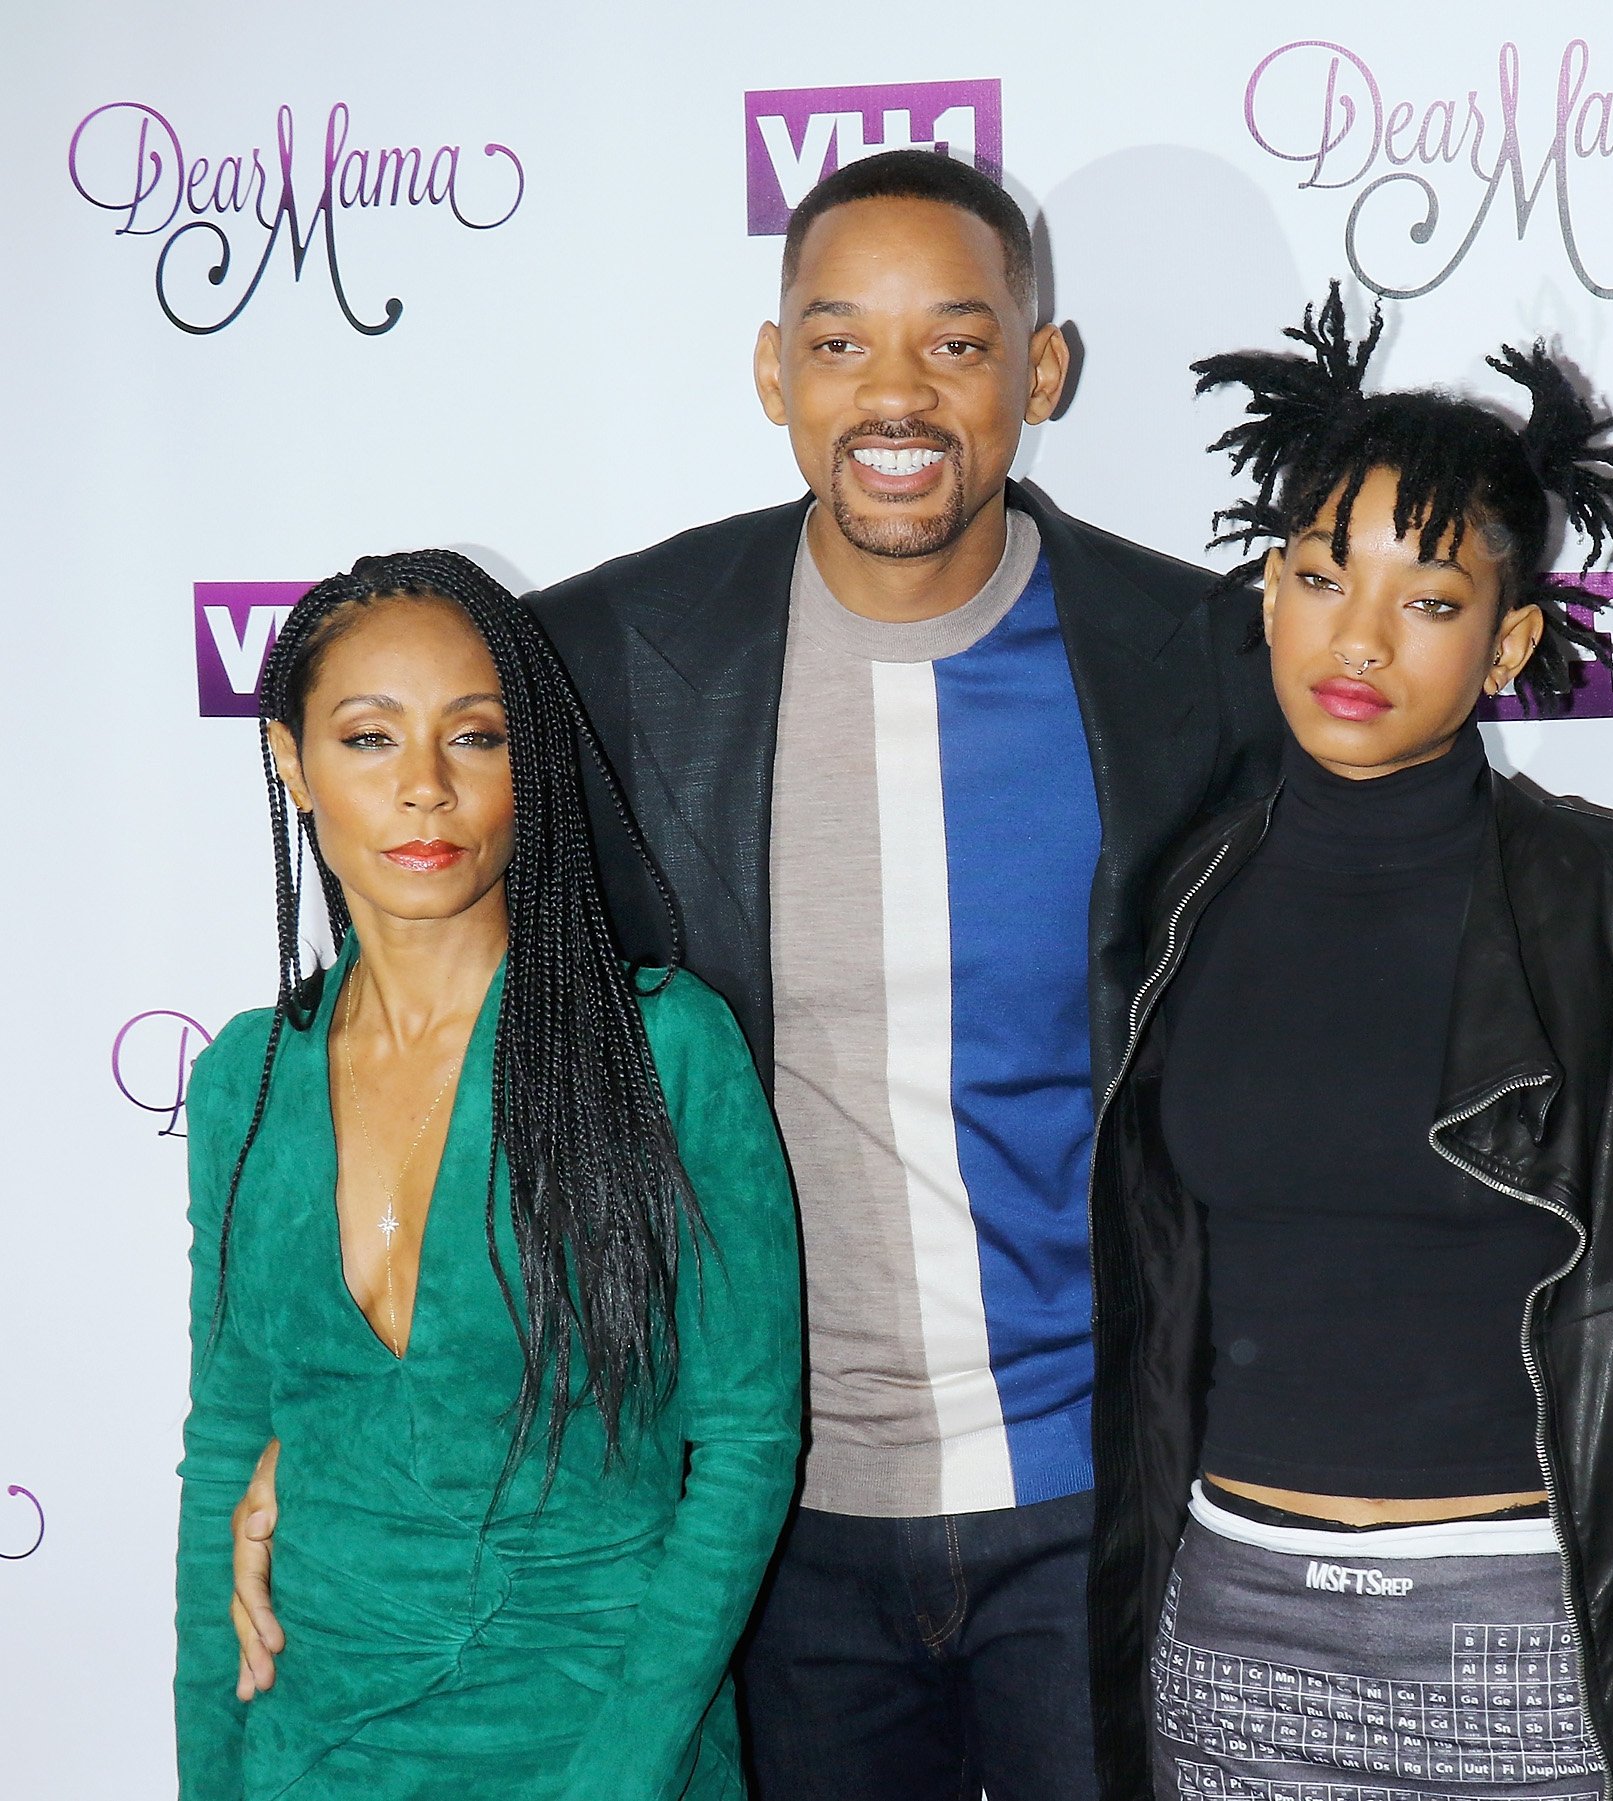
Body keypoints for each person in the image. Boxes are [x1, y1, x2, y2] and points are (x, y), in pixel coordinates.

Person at [224, 149, 1282, 1801]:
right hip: (753, 1528)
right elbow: (431, 1004)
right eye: (842, 341)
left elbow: (1383, 919)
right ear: (775, 368)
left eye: (956, 339)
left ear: (1043, 369)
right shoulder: (599, 665)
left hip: (1100, 1500)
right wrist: (327, 1421)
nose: (898, 395)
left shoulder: (1200, 662)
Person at [1085, 287, 1613, 1801]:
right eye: (1318, 576)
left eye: (1429, 601)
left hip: (1519, 1634)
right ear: (1267, 593)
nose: (1356, 639)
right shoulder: (1179, 888)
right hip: (1230, 1620)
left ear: (1510, 647)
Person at [175, 552, 800, 1799]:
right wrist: (211, 1767)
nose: (424, 788)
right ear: (291, 764)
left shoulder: (666, 1049)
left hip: (598, 1744)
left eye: (474, 736)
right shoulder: (244, 1082)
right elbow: (226, 1445)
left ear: (531, 768)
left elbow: (744, 1444)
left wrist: (622, 1769)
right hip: (317, 1743)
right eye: (368, 738)